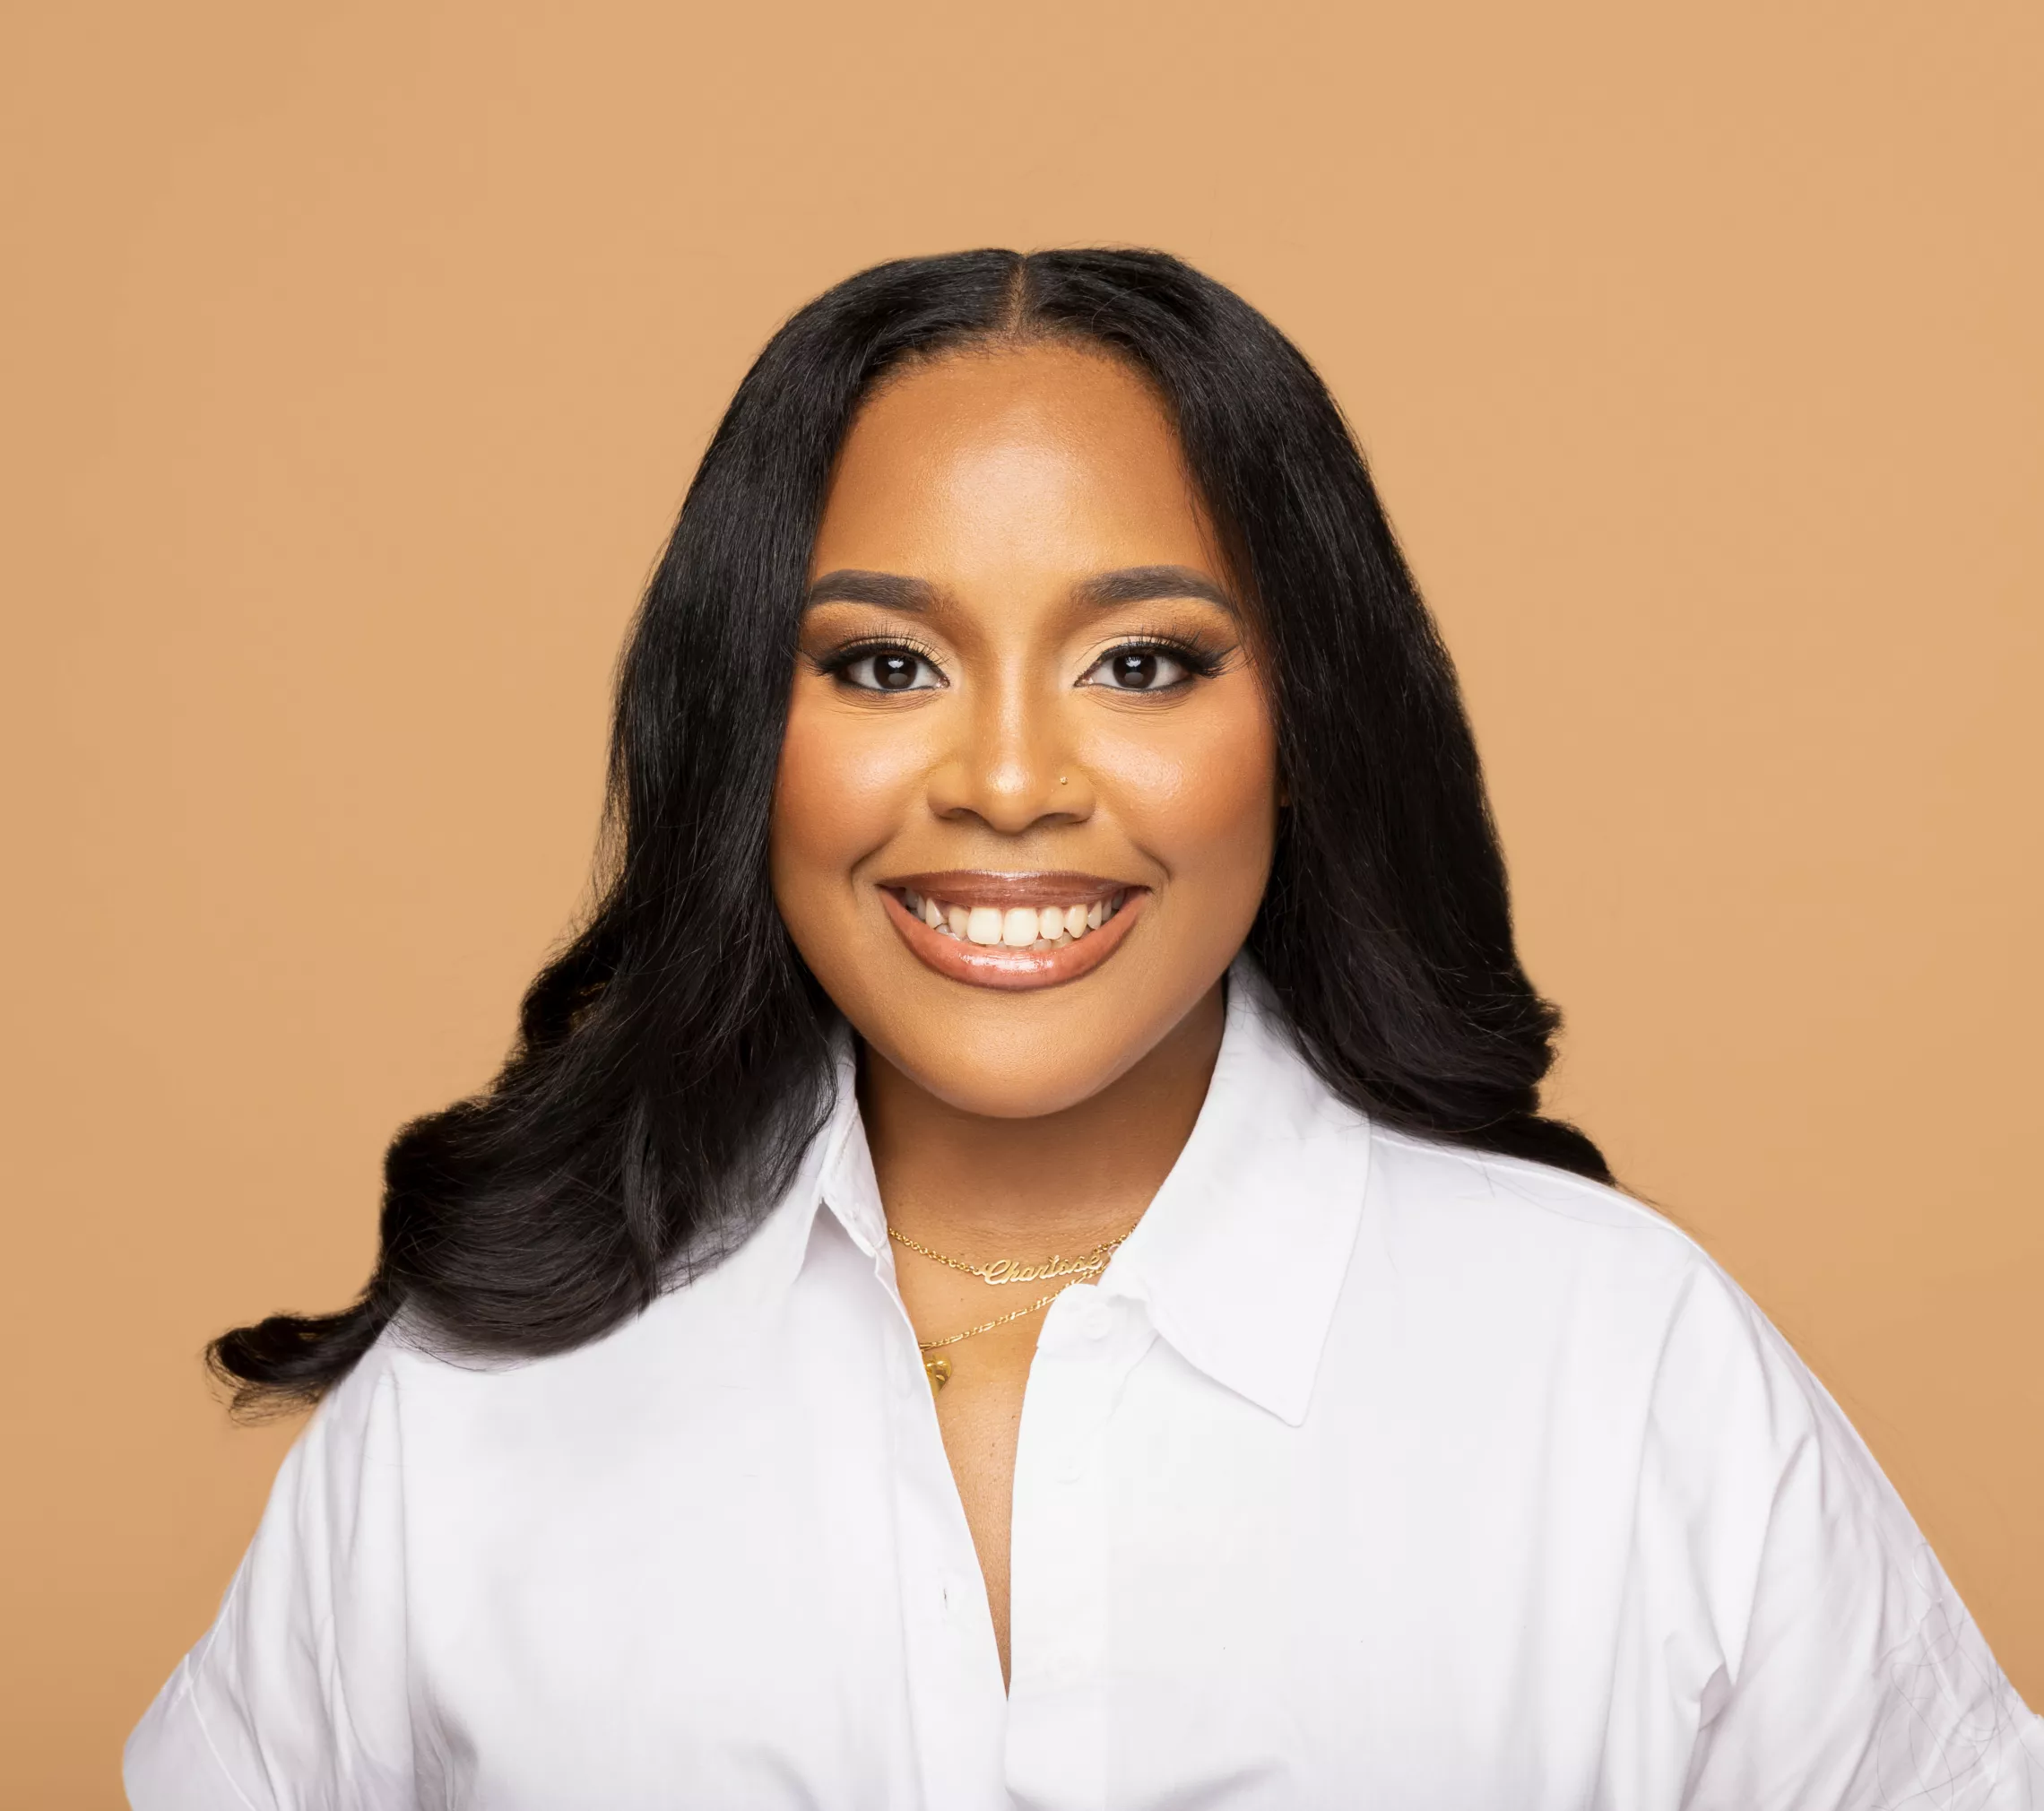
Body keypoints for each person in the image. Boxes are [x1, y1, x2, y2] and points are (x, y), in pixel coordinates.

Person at [126, 248, 2042, 1809]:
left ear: (1305, 724)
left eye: (1143, 661)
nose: (1011, 779)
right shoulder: (474, 1407)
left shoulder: (1626, 1372)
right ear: (738, 735)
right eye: (886, 661)